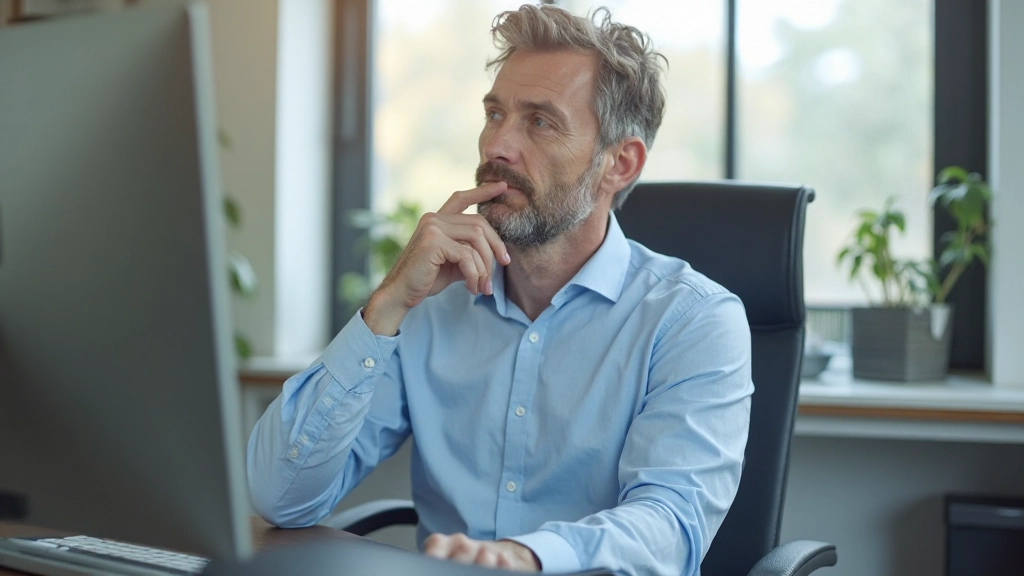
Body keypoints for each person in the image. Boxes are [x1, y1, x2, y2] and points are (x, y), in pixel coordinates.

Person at [247, 5, 753, 575]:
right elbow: (279, 497)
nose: (497, 146)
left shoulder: (694, 321)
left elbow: (671, 526)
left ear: (619, 163)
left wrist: (527, 557)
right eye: (495, 112)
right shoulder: (431, 306)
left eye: (539, 121)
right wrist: (386, 305)